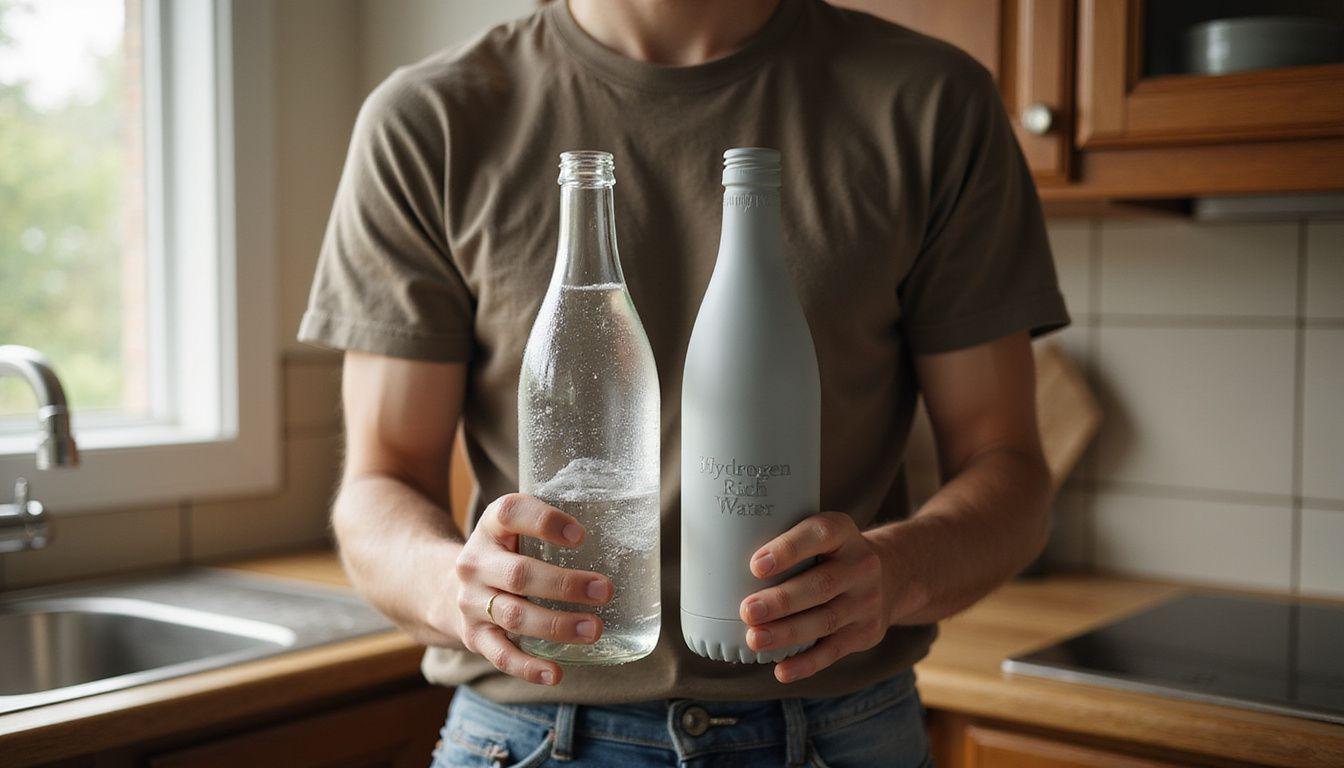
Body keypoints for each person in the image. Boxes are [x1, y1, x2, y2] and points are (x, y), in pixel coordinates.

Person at [299, 0, 1069, 765]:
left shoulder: (930, 101)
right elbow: (382, 479)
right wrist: (453, 586)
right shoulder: (427, 120)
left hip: (838, 730)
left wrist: (894, 575)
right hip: (530, 733)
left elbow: (1009, 467)